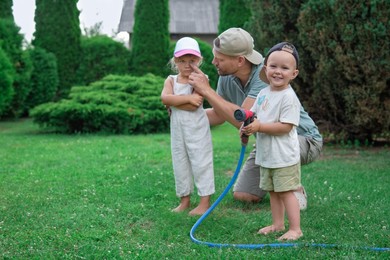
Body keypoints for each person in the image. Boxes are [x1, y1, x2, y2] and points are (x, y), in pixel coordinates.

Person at [188, 28, 322, 210]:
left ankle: (292, 186)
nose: (214, 62)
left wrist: (206, 91)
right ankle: (279, 184)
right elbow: (220, 114)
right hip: (267, 141)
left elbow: (245, 120)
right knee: (244, 195)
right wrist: (185, 115)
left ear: (240, 60)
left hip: (303, 140)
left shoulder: (267, 75)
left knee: (280, 165)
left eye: (219, 59)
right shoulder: (226, 78)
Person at [242, 42, 302, 240]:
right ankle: (277, 224)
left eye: (285, 68)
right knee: (273, 192)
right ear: (266, 69)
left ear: (294, 73)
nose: (278, 72)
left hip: (284, 156)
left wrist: (260, 127)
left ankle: (295, 229)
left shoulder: (289, 97)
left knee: (285, 192)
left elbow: (286, 126)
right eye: (274, 66)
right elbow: (256, 115)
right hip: (267, 155)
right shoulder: (263, 93)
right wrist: (248, 124)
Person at [161, 37, 215, 216]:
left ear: (199, 61)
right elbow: (165, 98)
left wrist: (175, 102)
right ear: (175, 61)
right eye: (182, 61)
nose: (187, 65)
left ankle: (204, 202)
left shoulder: (201, 79)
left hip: (197, 129)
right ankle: (184, 200)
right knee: (180, 161)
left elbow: (195, 104)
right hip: (178, 131)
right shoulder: (171, 80)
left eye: (192, 61)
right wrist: (186, 98)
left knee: (201, 162)